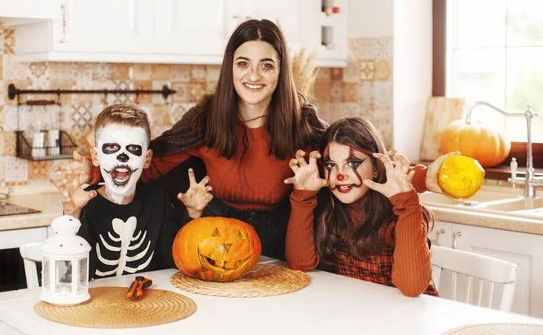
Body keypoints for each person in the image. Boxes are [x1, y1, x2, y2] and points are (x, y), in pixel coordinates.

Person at [56, 19, 447, 261]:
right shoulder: (207, 118)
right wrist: (91, 168)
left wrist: (424, 178)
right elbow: (153, 162)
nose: (254, 75)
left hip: (284, 242)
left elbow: (365, 164)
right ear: (231, 68)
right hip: (214, 236)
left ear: (280, 72)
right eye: (243, 63)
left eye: (267, 64)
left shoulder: (301, 122)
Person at [285, 117, 439, 297]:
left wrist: (407, 205)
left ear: (375, 167)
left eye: (352, 164)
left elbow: (412, 288)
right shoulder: (329, 209)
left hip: (411, 316)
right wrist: (303, 196)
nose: (340, 175)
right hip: (360, 313)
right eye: (331, 165)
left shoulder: (404, 212)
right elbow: (299, 264)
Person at [65, 103, 210, 280]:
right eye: (112, 147)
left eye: (133, 149)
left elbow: (176, 260)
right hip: (95, 302)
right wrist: (72, 214)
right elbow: (72, 277)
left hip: (149, 301)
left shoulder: (157, 199)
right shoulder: (85, 201)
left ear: (147, 158)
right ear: (95, 156)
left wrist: (193, 214)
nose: (122, 157)